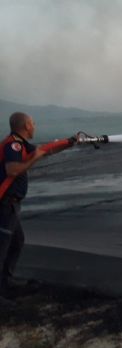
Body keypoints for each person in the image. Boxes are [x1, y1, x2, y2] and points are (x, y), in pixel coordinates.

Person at [0, 112, 47, 306]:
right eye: (33, 122)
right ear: (27, 125)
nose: (35, 126)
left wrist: (71, 142)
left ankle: (6, 281)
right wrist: (34, 158)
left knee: (17, 241)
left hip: (11, 204)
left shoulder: (20, 142)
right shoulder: (13, 144)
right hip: (5, 204)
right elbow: (13, 170)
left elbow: (45, 150)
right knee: (1, 247)